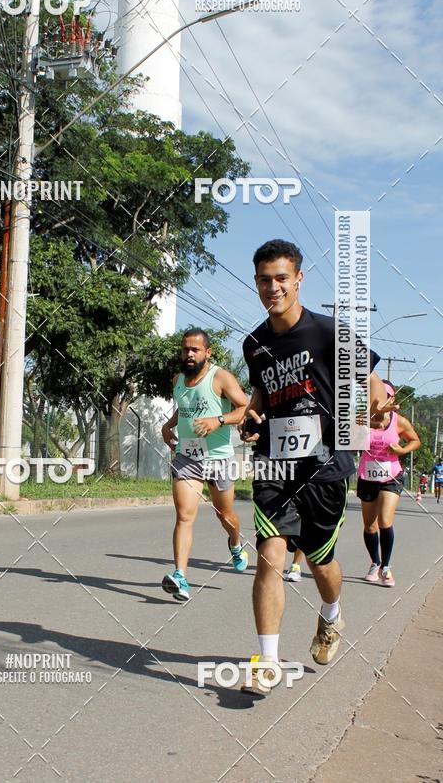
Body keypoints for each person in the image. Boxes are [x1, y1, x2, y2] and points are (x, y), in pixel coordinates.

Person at [240, 239, 390, 683]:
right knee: (270, 553)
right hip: (274, 463)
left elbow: (373, 385)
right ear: (256, 283)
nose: (273, 288)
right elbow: (261, 395)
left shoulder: (328, 332)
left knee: (321, 561)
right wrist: (252, 415)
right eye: (265, 280)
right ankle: (267, 660)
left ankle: (331, 613)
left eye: (282, 278)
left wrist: (372, 405)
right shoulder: (254, 343)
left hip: (325, 467)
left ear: (298, 279)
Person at [160, 328, 250, 601]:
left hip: (219, 458)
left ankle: (235, 543)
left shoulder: (220, 377)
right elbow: (185, 407)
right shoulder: (178, 379)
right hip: (187, 457)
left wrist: (218, 420)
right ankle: (181, 576)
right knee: (185, 516)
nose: (189, 354)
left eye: (195, 350)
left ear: (207, 352)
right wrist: (168, 425)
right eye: (186, 349)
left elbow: (245, 407)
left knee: (226, 515)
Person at [357, 381, 420, 587]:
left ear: (391, 399)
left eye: (382, 394)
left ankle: (386, 567)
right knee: (369, 525)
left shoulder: (399, 421)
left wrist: (402, 451)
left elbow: (415, 440)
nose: (376, 398)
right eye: (373, 394)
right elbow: (347, 437)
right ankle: (375, 562)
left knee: (385, 520)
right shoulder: (361, 419)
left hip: (391, 476)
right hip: (367, 476)